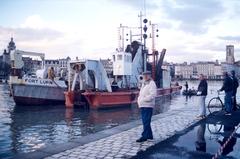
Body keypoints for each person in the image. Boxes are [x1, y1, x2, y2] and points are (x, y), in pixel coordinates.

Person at [137, 71, 157, 142]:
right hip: (143, 105)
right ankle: (149, 135)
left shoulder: (152, 83)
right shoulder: (144, 83)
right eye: (144, 75)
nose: (145, 76)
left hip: (148, 105)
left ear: (149, 75)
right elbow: (141, 93)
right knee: (146, 121)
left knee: (146, 121)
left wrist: (144, 100)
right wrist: (140, 100)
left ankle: (144, 136)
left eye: (146, 75)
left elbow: (153, 95)